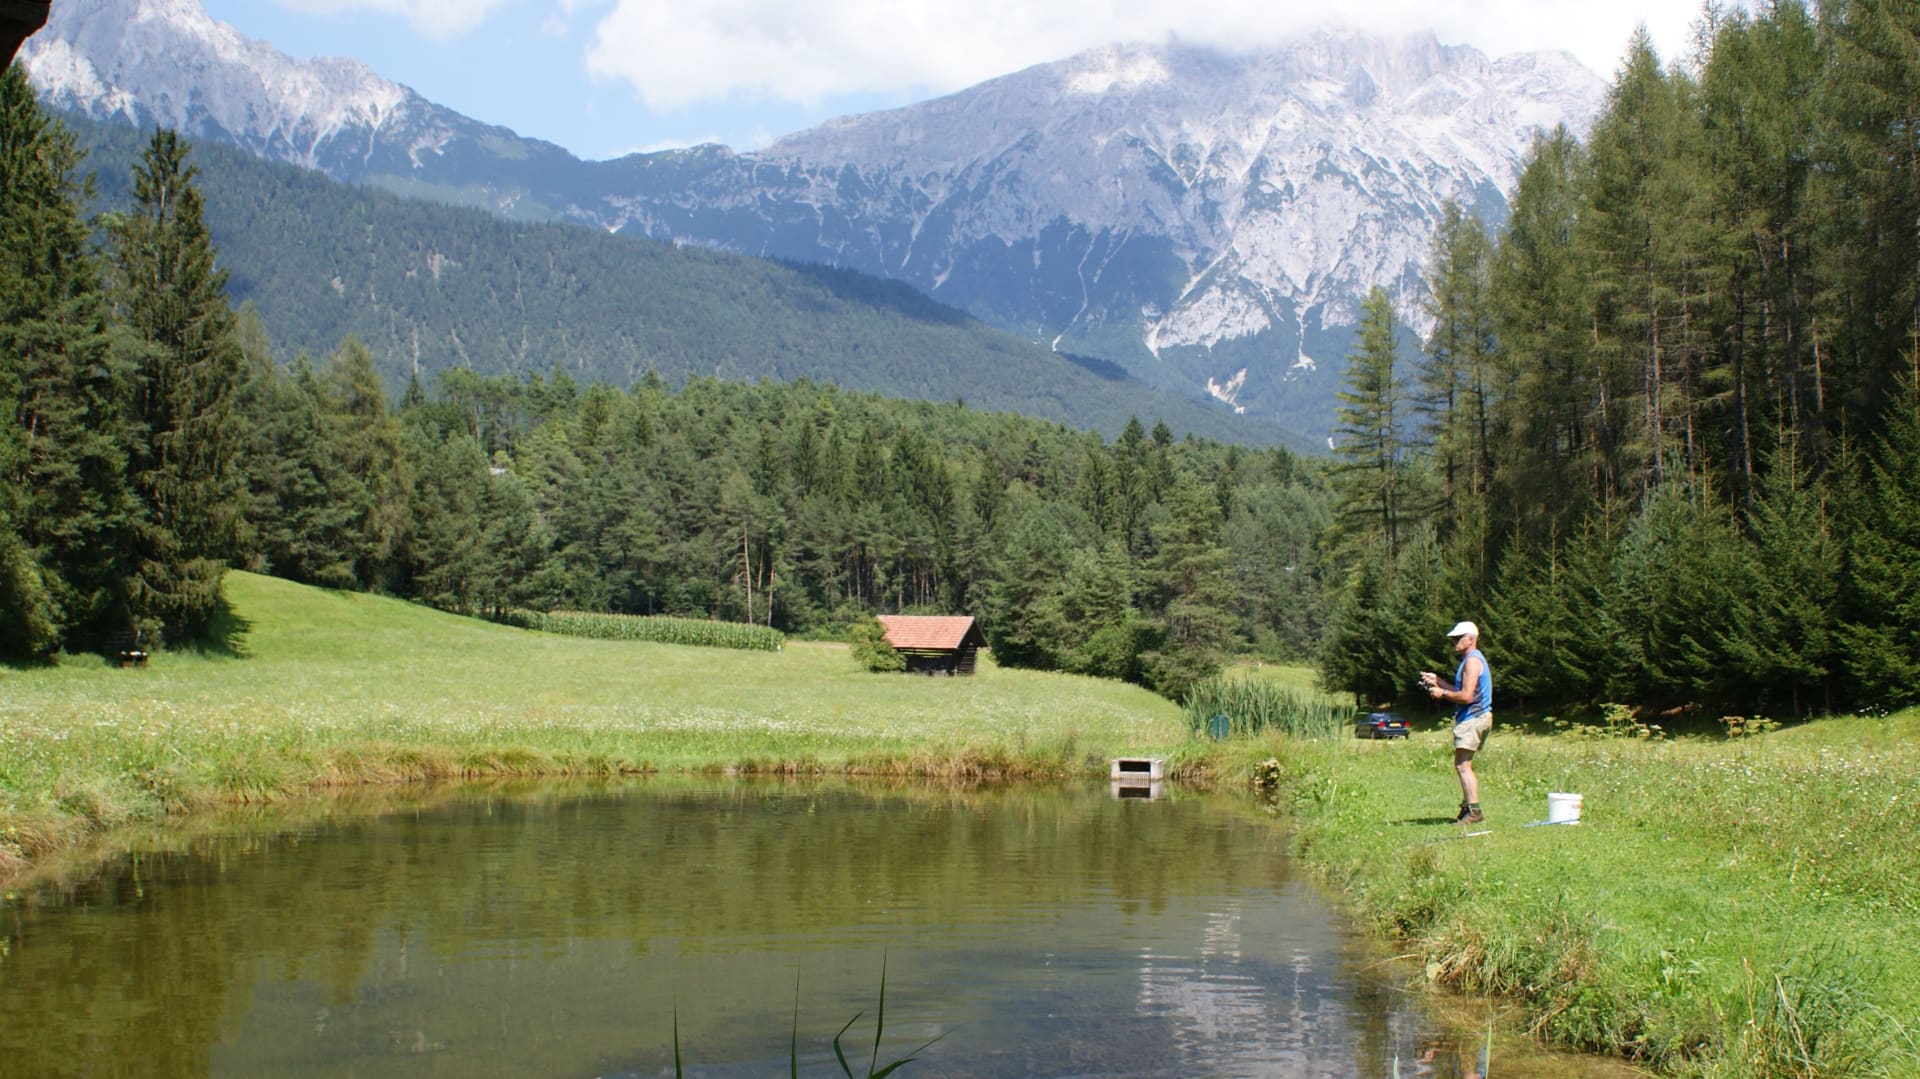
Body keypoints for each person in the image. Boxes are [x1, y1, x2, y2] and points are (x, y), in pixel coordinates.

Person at [1420, 621, 1492, 825]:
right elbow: (1461, 690)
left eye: (1457, 638)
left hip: (1473, 718)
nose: (1454, 642)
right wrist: (1438, 681)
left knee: (1463, 765)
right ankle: (1468, 808)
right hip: (1476, 717)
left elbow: (1466, 696)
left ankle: (1474, 811)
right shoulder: (1470, 660)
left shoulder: (1472, 661)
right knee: (1462, 764)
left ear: (1470, 639)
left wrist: (1441, 693)